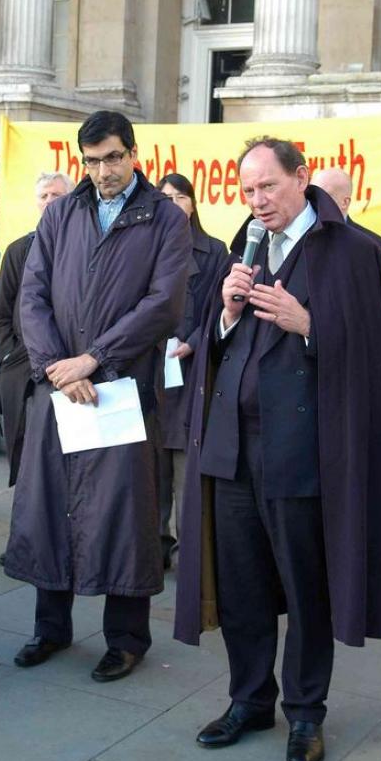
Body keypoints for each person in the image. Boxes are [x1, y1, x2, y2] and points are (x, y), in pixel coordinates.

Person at [174, 137, 381, 761]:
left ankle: (306, 714)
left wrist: (308, 324)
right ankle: (249, 699)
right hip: (231, 448)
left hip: (302, 452)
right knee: (241, 587)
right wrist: (228, 314)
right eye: (247, 190)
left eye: (268, 187)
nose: (257, 201)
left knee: (306, 586)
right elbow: (214, 342)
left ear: (302, 178)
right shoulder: (244, 247)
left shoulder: (356, 252)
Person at [4, 109, 191, 682]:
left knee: (123, 516)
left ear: (134, 154)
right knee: (49, 508)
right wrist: (59, 368)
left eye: (112, 157)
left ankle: (127, 639)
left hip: (122, 392)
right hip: (59, 387)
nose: (103, 170)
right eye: (92, 160)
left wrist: (95, 358)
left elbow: (162, 304)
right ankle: (50, 628)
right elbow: (31, 297)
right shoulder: (61, 213)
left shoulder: (164, 220)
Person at [155, 173, 228, 569]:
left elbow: (220, 310)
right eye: (164, 197)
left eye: (179, 196)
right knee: (153, 467)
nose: (172, 203)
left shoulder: (214, 251)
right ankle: (155, 545)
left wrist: (195, 343)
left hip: (192, 370)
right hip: (153, 368)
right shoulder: (146, 247)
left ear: (193, 203)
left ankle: (189, 554)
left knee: (185, 466)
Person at [0, 171, 75, 489]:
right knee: (24, 447)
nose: (50, 201)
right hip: (21, 363)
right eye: (44, 196)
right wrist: (8, 354)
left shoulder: (82, 248)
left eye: (57, 195)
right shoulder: (18, 250)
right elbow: (1, 312)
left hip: (68, 363)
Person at [311, 166, 381, 268]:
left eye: (324, 196)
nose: (314, 200)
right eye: (312, 194)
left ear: (344, 202)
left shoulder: (376, 248)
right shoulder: (293, 238)